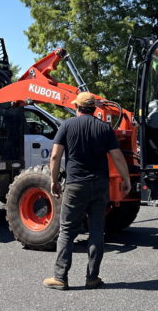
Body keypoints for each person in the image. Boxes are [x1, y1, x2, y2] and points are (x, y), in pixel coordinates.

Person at [43, 91, 131, 291]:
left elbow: (55, 156)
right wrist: (126, 179)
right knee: (97, 231)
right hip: (100, 184)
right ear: (94, 109)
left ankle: (60, 277)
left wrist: (53, 180)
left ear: (76, 107)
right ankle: (92, 278)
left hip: (75, 185)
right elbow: (117, 156)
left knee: (66, 230)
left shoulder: (67, 125)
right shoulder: (104, 128)